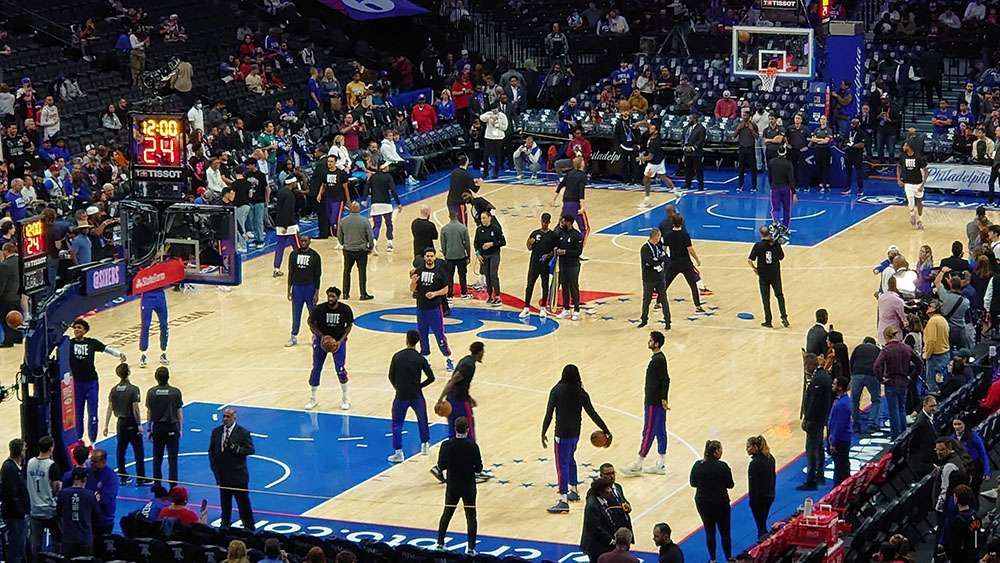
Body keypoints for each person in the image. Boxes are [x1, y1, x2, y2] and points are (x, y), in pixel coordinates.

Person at [542, 364, 612, 513]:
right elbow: (593, 413)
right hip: (575, 435)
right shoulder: (581, 393)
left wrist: (543, 432)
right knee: (570, 459)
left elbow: (549, 414)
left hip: (561, 435)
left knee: (562, 466)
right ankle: (573, 490)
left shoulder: (556, 390)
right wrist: (606, 430)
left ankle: (563, 500)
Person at [69, 318, 126, 444]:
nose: (77, 330)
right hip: (77, 384)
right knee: (78, 415)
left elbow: (106, 349)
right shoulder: (69, 344)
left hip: (91, 383)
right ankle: (79, 440)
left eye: (80, 328)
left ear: (85, 330)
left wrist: (119, 354)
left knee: (93, 414)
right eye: (75, 327)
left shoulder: (92, 342)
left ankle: (93, 442)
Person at [621, 331, 670, 477]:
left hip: (653, 402)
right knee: (661, 431)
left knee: (648, 431)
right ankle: (661, 463)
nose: (648, 342)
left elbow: (666, 380)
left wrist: (663, 398)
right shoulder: (658, 358)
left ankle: (638, 463)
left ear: (656, 343)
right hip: (656, 401)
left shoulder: (658, 360)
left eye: (650, 340)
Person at [435, 416, 482, 555]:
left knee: (447, 514)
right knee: (471, 517)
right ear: (467, 429)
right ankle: (471, 548)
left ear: (455, 429)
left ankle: (440, 543)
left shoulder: (446, 445)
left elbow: (440, 465)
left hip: (453, 486)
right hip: (468, 487)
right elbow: (479, 468)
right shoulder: (472, 446)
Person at [388, 330, 435, 463]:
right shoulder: (420, 358)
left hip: (401, 395)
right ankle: (425, 445)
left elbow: (391, 376)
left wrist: (398, 387)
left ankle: (398, 453)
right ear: (418, 341)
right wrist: (420, 386)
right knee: (422, 420)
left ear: (406, 340)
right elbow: (431, 378)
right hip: (416, 395)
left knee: (397, 424)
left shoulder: (397, 356)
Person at [306, 287, 354, 410]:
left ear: (338, 297)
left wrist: (340, 341)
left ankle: (345, 398)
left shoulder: (345, 310)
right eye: (329, 296)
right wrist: (322, 337)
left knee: (340, 369)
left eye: (333, 296)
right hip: (321, 342)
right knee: (316, 368)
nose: (330, 299)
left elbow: (348, 326)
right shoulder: (320, 309)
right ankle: (313, 398)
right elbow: (310, 322)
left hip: (338, 341)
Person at [209, 408, 256, 530]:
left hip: (238, 476)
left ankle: (249, 527)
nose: (225, 419)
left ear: (234, 418)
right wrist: (215, 469)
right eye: (224, 416)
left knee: (243, 504)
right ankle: (224, 526)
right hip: (222, 475)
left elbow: (250, 450)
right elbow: (212, 451)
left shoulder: (243, 432)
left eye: (228, 417)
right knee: (225, 504)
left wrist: (236, 449)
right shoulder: (216, 432)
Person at [689, 440, 734, 563]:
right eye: (720, 449)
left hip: (703, 503)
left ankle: (713, 559)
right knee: (725, 532)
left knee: (710, 531)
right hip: (721, 502)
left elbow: (692, 483)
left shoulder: (697, 465)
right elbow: (730, 485)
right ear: (715, 452)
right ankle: (729, 558)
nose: (721, 452)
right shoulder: (723, 466)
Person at [411, 248, 454, 371]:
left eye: (431, 256)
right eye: (427, 256)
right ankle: (425, 358)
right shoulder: (419, 271)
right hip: (421, 308)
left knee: (439, 335)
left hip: (435, 308)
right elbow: (412, 289)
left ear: (435, 257)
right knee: (422, 334)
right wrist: (413, 282)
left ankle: (448, 358)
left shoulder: (440, 271)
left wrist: (435, 294)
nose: (429, 258)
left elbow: (446, 289)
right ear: (424, 257)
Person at [104, 363, 146, 485]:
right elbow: (135, 409)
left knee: (120, 450)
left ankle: (123, 477)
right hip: (131, 422)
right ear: (128, 372)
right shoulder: (133, 389)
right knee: (138, 450)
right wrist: (139, 424)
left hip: (120, 423)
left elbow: (110, 408)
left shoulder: (114, 389)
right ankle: (140, 477)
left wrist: (106, 425)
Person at [145, 367, 182, 489]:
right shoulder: (175, 392)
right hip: (171, 428)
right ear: (168, 377)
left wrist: (149, 428)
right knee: (173, 459)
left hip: (158, 428)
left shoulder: (151, 392)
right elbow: (179, 412)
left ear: (156, 378)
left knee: (157, 458)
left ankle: (157, 484)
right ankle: (173, 486)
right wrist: (180, 428)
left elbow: (149, 412)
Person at [798, 353, 831, 490]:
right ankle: (820, 475)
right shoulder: (822, 375)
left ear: (812, 364)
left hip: (815, 420)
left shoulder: (818, 378)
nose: (805, 368)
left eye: (806, 365)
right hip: (820, 418)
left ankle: (811, 480)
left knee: (811, 450)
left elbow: (815, 403)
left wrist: (807, 419)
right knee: (818, 447)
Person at [26, 436, 61, 558]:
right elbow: (57, 487)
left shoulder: (30, 462)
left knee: (35, 543)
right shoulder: (52, 465)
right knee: (58, 540)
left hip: (34, 509)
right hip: (50, 510)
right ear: (51, 448)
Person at [663, 215, 704, 313]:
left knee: (666, 283)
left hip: (674, 263)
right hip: (686, 264)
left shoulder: (668, 235)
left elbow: (664, 249)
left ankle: (658, 303)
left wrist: (667, 260)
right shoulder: (685, 234)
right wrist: (697, 259)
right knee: (693, 285)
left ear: (673, 223)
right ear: (681, 223)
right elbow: (690, 249)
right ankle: (698, 306)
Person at [748, 225, 788, 328]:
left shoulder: (758, 246)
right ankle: (784, 317)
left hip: (763, 276)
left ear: (761, 234)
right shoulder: (775, 244)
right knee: (779, 296)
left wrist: (754, 269)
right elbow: (781, 257)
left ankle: (768, 321)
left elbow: (749, 260)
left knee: (766, 299)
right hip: (775, 275)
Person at [286, 236, 321, 347]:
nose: (303, 243)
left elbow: (318, 275)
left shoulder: (315, 256)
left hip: (310, 288)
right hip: (297, 288)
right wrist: (289, 289)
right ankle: (293, 336)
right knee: (296, 313)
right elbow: (290, 272)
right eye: (302, 241)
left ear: (310, 242)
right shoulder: (293, 254)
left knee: (313, 314)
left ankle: (316, 336)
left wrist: (316, 292)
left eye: (306, 241)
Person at [57, 467, 99, 558]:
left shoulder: (63, 493)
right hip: (84, 539)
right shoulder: (90, 495)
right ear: (85, 479)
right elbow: (96, 513)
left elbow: (59, 512)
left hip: (68, 538)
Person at [522, 213, 557, 318]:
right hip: (534, 263)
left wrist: (548, 255)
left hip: (545, 265)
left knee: (544, 285)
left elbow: (554, 251)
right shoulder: (535, 233)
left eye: (546, 222)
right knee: (530, 284)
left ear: (549, 222)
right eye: (543, 222)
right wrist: (529, 242)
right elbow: (528, 247)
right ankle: (526, 307)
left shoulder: (552, 235)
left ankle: (543, 308)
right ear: (541, 221)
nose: (544, 224)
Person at [337, 201, 374, 301]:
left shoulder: (343, 221)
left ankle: (345, 293)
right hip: (361, 251)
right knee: (362, 272)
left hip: (348, 250)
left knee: (346, 272)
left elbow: (339, 236)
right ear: (359, 209)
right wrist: (370, 247)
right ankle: (363, 294)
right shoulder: (365, 221)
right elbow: (370, 236)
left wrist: (344, 244)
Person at [552, 157, 591, 250]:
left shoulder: (569, 173)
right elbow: (581, 191)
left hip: (566, 204)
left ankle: (552, 246)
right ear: (581, 164)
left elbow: (560, 186)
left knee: (560, 226)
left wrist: (553, 199)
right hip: (575, 205)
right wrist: (582, 207)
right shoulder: (582, 176)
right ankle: (578, 251)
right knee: (585, 229)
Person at [951, 417, 990, 503]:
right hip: (963, 468)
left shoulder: (974, 437)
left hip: (975, 467)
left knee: (974, 492)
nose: (957, 427)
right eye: (955, 424)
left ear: (965, 424)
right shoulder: (952, 438)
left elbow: (983, 454)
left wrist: (987, 471)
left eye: (959, 424)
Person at [2, 438, 29, 563]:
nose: (26, 450)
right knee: (16, 548)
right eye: (24, 448)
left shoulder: (16, 466)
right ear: (20, 451)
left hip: (17, 515)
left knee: (21, 547)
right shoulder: (9, 468)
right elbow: (11, 494)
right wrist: (21, 512)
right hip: (15, 516)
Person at [638, 228, 670, 329]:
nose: (660, 238)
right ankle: (644, 320)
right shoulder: (645, 248)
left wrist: (658, 259)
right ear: (655, 236)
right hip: (649, 279)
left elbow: (666, 257)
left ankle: (668, 321)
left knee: (664, 299)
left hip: (660, 278)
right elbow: (651, 262)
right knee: (647, 300)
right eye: (659, 236)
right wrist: (659, 259)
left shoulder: (658, 246)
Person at [580, 477, 618, 563]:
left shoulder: (602, 499)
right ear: (600, 491)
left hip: (602, 543)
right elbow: (596, 528)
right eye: (608, 488)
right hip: (595, 546)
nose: (610, 490)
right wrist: (611, 541)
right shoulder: (592, 506)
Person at [848, 337, 881, 434]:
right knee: (876, 400)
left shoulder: (858, 347)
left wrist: (852, 375)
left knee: (854, 400)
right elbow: (880, 363)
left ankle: (855, 425)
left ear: (864, 342)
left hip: (857, 374)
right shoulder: (877, 350)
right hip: (872, 374)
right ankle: (872, 424)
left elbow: (851, 362)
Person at [746, 435, 775, 540]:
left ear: (755, 447)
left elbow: (753, 485)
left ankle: (764, 543)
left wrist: (752, 500)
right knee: (762, 522)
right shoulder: (770, 458)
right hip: (769, 495)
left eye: (748, 447)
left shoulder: (754, 464)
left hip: (759, 499)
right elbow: (773, 477)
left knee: (760, 525)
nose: (747, 449)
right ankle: (765, 539)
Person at [555, 215, 583, 320]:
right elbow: (555, 243)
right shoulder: (560, 233)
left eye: (564, 222)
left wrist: (565, 252)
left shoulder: (577, 235)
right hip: (562, 264)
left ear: (569, 223)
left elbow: (578, 252)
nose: (562, 223)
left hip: (573, 265)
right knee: (564, 287)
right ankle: (566, 309)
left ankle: (576, 310)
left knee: (573, 287)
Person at [474, 211, 506, 306]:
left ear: (489, 218)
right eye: (481, 218)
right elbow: (476, 244)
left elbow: (503, 242)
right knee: (487, 276)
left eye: (484, 218)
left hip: (494, 254)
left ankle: (497, 296)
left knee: (493, 275)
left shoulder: (496, 229)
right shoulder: (479, 230)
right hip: (484, 256)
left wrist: (492, 244)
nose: (482, 220)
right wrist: (478, 254)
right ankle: (489, 295)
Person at [943, 484, 979, 563]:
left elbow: (955, 542)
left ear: (957, 498)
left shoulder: (958, 520)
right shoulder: (975, 516)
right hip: (974, 553)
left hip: (961, 556)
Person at [896, 141, 928, 230]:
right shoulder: (902, 156)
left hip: (918, 183)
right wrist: (898, 179)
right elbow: (898, 166)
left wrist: (923, 184)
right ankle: (912, 215)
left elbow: (926, 170)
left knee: (919, 202)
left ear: (909, 147)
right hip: (908, 183)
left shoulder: (918, 157)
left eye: (905, 145)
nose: (903, 147)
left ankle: (920, 220)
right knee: (910, 201)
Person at [640, 124, 674, 208]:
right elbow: (648, 125)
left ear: (656, 131)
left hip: (653, 164)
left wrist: (640, 158)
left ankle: (647, 201)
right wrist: (643, 122)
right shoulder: (655, 137)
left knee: (646, 180)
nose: (649, 130)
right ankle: (676, 192)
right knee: (663, 177)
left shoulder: (654, 142)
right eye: (650, 128)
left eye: (652, 129)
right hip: (660, 160)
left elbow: (650, 157)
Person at [86, 449, 118, 536]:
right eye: (91, 460)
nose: (92, 463)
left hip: (104, 520)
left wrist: (90, 498)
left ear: (103, 461)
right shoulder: (88, 472)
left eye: (95, 461)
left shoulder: (110, 476)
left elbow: (105, 498)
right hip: (89, 519)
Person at [827, 375, 852, 485]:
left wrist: (833, 442)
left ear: (840, 387)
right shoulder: (843, 400)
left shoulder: (841, 404)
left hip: (840, 440)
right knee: (843, 464)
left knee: (840, 466)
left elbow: (839, 425)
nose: (832, 385)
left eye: (834, 383)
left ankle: (838, 488)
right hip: (843, 437)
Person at [441, 211, 471, 300]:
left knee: (449, 276)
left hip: (449, 256)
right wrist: (469, 255)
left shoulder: (444, 229)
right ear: (457, 216)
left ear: (449, 216)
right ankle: (464, 293)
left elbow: (443, 244)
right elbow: (467, 244)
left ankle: (449, 295)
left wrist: (445, 254)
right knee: (462, 275)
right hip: (461, 256)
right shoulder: (463, 228)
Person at [138, 286, 169, 368]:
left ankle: (163, 352)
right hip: (147, 296)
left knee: (164, 325)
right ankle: (143, 354)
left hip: (160, 295)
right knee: (146, 325)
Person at [908, 395, 939, 477]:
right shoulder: (920, 422)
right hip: (925, 458)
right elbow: (915, 443)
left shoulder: (931, 416)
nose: (934, 408)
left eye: (935, 405)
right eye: (931, 406)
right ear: (924, 406)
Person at [767, 146, 795, 228]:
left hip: (775, 188)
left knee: (775, 208)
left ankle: (776, 223)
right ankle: (785, 227)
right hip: (786, 188)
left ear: (778, 152)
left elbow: (769, 176)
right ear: (785, 152)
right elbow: (791, 179)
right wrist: (794, 192)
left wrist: (771, 185)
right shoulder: (788, 164)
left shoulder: (772, 162)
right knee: (787, 209)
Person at [447, 155, 481, 225]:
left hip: (450, 202)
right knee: (462, 225)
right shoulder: (466, 175)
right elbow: (475, 189)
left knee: (454, 224)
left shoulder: (454, 172)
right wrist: (480, 183)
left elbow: (460, 182)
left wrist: (472, 181)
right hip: (458, 204)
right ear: (466, 162)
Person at [480, 106, 509, 180]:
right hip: (489, 137)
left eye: (495, 109)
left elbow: (505, 127)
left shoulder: (502, 116)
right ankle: (485, 172)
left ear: (498, 108)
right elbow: (481, 118)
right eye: (493, 109)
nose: (494, 110)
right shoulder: (489, 114)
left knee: (497, 155)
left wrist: (498, 125)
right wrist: (490, 117)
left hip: (498, 138)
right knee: (486, 155)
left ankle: (496, 172)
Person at [734, 109, 758, 193]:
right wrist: (738, 129)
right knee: (741, 169)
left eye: (746, 115)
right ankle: (740, 186)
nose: (744, 117)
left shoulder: (753, 125)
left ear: (749, 117)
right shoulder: (740, 124)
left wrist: (751, 130)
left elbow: (757, 137)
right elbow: (734, 135)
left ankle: (754, 186)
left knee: (753, 169)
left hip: (751, 148)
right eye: (743, 115)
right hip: (742, 148)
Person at [842, 118, 867, 196]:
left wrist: (852, 146)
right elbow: (844, 141)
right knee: (848, 172)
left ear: (858, 124)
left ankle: (860, 189)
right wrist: (846, 145)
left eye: (854, 123)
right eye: (852, 123)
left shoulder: (861, 133)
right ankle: (847, 188)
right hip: (848, 154)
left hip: (857, 155)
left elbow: (862, 144)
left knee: (859, 172)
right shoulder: (848, 132)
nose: (853, 125)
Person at [809, 115, 834, 192]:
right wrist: (820, 140)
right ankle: (820, 184)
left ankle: (825, 183)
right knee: (818, 167)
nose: (822, 120)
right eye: (821, 119)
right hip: (817, 150)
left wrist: (817, 140)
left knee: (825, 167)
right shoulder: (817, 130)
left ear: (826, 121)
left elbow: (826, 141)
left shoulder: (829, 130)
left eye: (824, 119)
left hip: (825, 150)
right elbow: (812, 139)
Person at [682, 113, 706, 190]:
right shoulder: (686, 128)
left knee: (698, 169)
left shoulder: (701, 128)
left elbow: (701, 140)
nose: (688, 120)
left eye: (690, 118)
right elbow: (682, 138)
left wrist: (693, 147)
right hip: (687, 152)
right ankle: (687, 184)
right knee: (688, 169)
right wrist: (684, 146)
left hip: (696, 153)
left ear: (694, 119)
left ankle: (700, 185)